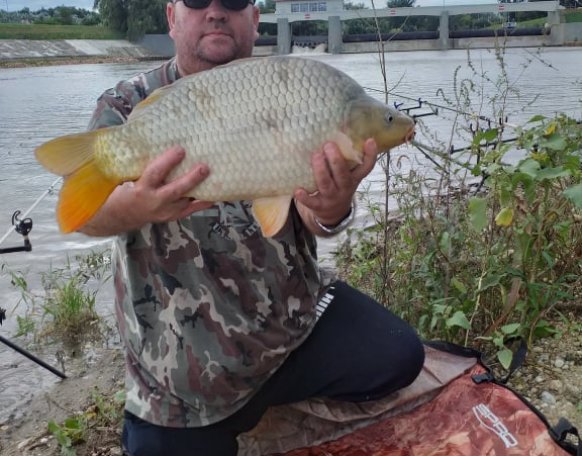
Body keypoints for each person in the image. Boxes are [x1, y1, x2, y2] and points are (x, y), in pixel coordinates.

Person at [82, 0, 425, 454]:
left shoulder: (295, 92)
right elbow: (86, 216)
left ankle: (273, 401)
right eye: (198, 0)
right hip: (183, 377)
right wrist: (138, 207)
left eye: (235, 1)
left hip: (294, 331)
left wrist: (333, 206)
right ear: (171, 16)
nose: (216, 11)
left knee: (400, 356)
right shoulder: (126, 108)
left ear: (255, 18)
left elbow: (312, 216)